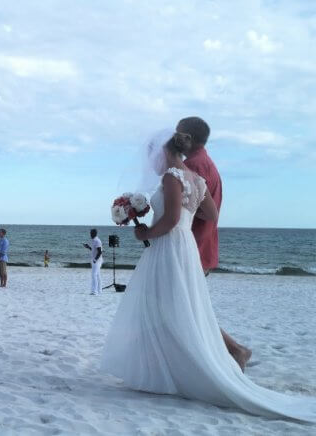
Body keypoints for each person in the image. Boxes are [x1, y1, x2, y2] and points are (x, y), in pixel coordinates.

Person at [100, 130, 316, 422]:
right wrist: (189, 209)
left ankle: (189, 365)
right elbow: (211, 214)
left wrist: (145, 232)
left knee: (166, 306)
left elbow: (171, 220)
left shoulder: (172, 177)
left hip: (168, 246)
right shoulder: (197, 180)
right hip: (184, 246)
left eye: (152, 156)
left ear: (164, 151)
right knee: (177, 306)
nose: (150, 163)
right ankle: (173, 364)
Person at [178, 116, 252, 370]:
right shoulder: (206, 163)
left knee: (190, 309)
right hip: (204, 243)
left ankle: (235, 350)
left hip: (194, 246)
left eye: (178, 133)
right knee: (189, 307)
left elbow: (201, 209)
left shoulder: (194, 166)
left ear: (187, 138)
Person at [83, 229, 103, 295]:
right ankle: (99, 291)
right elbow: (94, 250)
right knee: (97, 275)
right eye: (90, 233)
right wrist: (88, 247)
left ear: (94, 233)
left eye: (91, 233)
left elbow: (100, 252)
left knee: (94, 275)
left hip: (97, 261)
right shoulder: (94, 240)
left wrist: (95, 260)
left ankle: (94, 291)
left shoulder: (97, 241)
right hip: (94, 260)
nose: (90, 234)